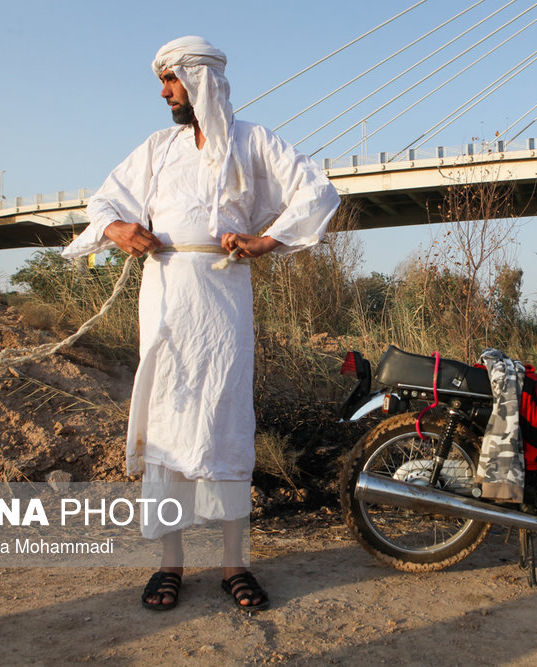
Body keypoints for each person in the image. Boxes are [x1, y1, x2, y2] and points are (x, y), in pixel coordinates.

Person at [62, 35, 340, 611]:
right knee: (167, 421)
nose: (165, 94)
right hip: (163, 296)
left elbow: (316, 192)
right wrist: (118, 231)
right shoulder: (158, 149)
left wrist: (266, 240)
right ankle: (170, 566)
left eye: (172, 81)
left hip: (222, 297)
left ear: (203, 80)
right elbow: (103, 203)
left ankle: (235, 565)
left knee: (223, 416)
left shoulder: (253, 142)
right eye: (162, 83)